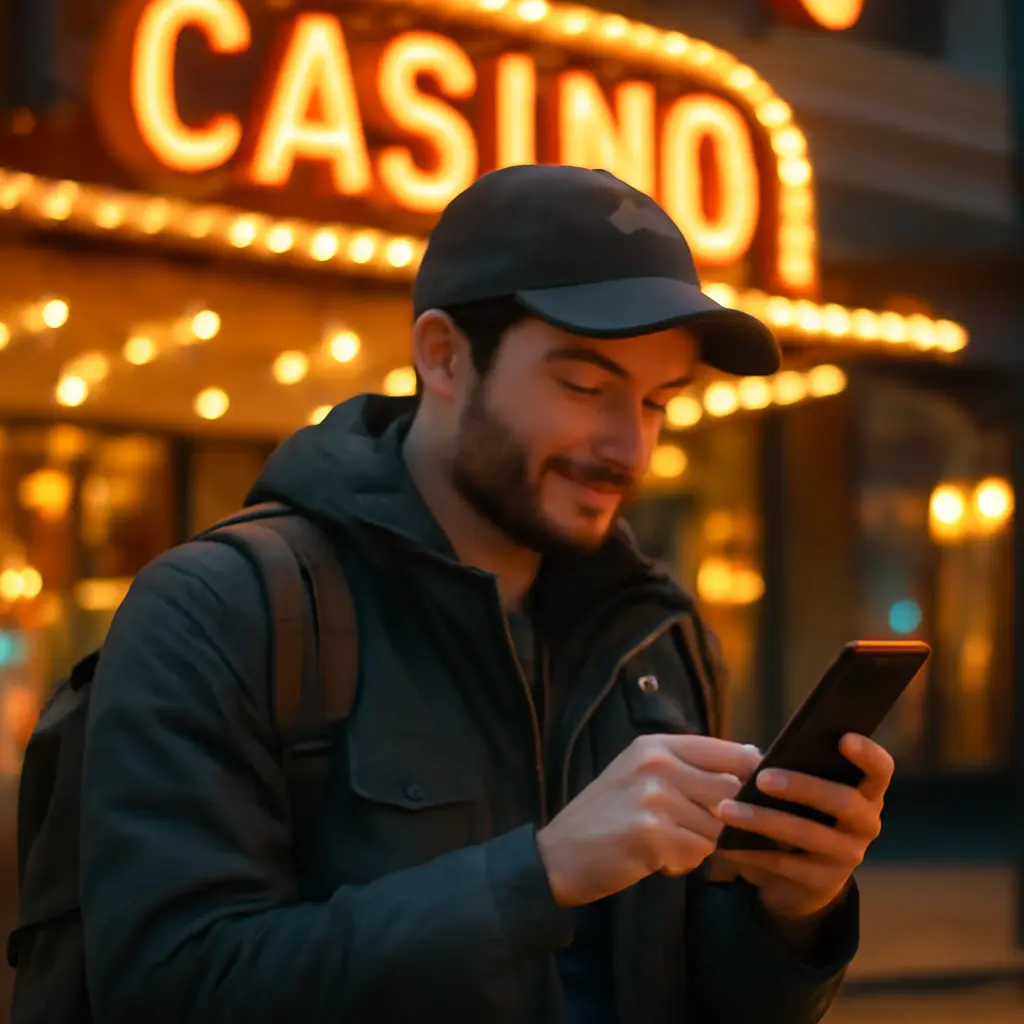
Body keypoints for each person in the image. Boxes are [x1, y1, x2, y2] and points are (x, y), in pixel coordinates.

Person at [80, 165, 892, 1023]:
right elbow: (169, 989)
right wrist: (541, 876)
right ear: (444, 357)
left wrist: (794, 914)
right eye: (584, 386)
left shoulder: (659, 637)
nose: (630, 447)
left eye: (657, 402)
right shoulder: (222, 610)